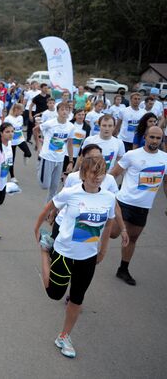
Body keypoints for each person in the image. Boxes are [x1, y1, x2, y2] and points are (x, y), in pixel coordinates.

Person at [33, 155, 126, 359]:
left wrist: (102, 250)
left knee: (76, 299)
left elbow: (109, 224)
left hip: (88, 257)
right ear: (84, 173)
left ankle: (64, 336)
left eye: (101, 172)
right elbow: (49, 207)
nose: (98, 176)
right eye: (93, 172)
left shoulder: (108, 198)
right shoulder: (70, 193)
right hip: (64, 252)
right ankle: (44, 253)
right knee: (54, 294)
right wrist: (36, 228)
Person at [108, 126, 167, 286]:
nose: (155, 141)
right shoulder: (132, 155)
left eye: (158, 138)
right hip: (124, 202)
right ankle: (89, 254)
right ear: (145, 137)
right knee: (112, 233)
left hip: (143, 207)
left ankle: (123, 269)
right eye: (152, 137)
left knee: (132, 238)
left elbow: (166, 183)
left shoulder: (164, 158)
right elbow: (113, 174)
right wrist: (107, 195)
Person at [34, 102, 74, 202]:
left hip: (60, 159)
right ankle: (39, 164)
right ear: (58, 111)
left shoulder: (71, 127)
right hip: (47, 157)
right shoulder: (50, 123)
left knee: (54, 187)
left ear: (69, 112)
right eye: (62, 109)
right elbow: (35, 130)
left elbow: (69, 144)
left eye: (67, 109)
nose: (65, 111)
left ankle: (48, 212)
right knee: (45, 186)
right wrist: (39, 146)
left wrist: (70, 161)